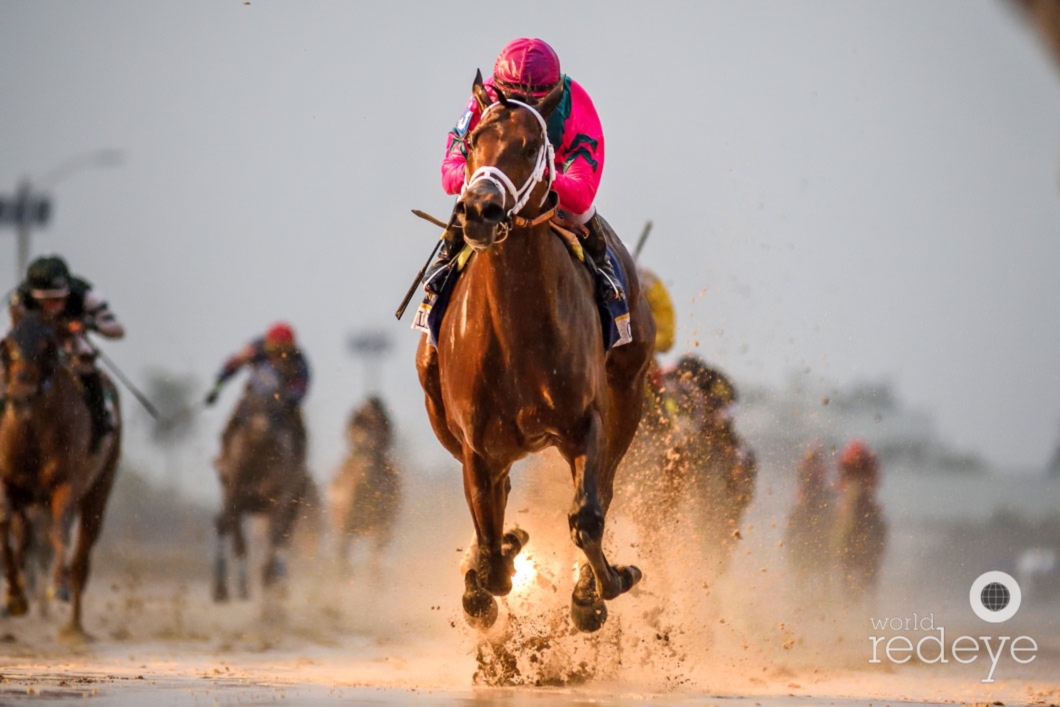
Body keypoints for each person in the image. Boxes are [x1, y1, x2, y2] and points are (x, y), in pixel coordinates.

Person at [426, 37, 623, 303]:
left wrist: (537, 174)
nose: (520, 112)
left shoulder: (574, 102)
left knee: (582, 212)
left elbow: (582, 193)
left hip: (551, 178)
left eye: (532, 102)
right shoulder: (483, 97)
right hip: (496, 182)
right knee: (468, 198)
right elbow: (449, 171)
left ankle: (605, 275)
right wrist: (482, 174)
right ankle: (442, 270)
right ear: (497, 89)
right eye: (513, 99)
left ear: (552, 96)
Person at [6, 254, 124, 452]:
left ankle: (100, 422)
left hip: (70, 340)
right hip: (35, 344)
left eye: (59, 299)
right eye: (47, 301)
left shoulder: (85, 294)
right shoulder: (19, 297)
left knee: (84, 362)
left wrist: (88, 324)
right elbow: (14, 330)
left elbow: (117, 329)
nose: (54, 306)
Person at [205, 322, 311, 470]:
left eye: (282, 351)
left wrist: (291, 399)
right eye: (274, 350)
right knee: (233, 420)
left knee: (298, 426)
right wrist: (217, 388)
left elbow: (302, 385)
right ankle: (224, 455)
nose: (277, 355)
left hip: (282, 404)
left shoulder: (299, 360)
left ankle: (299, 465)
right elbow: (233, 365)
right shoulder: (256, 349)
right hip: (254, 400)